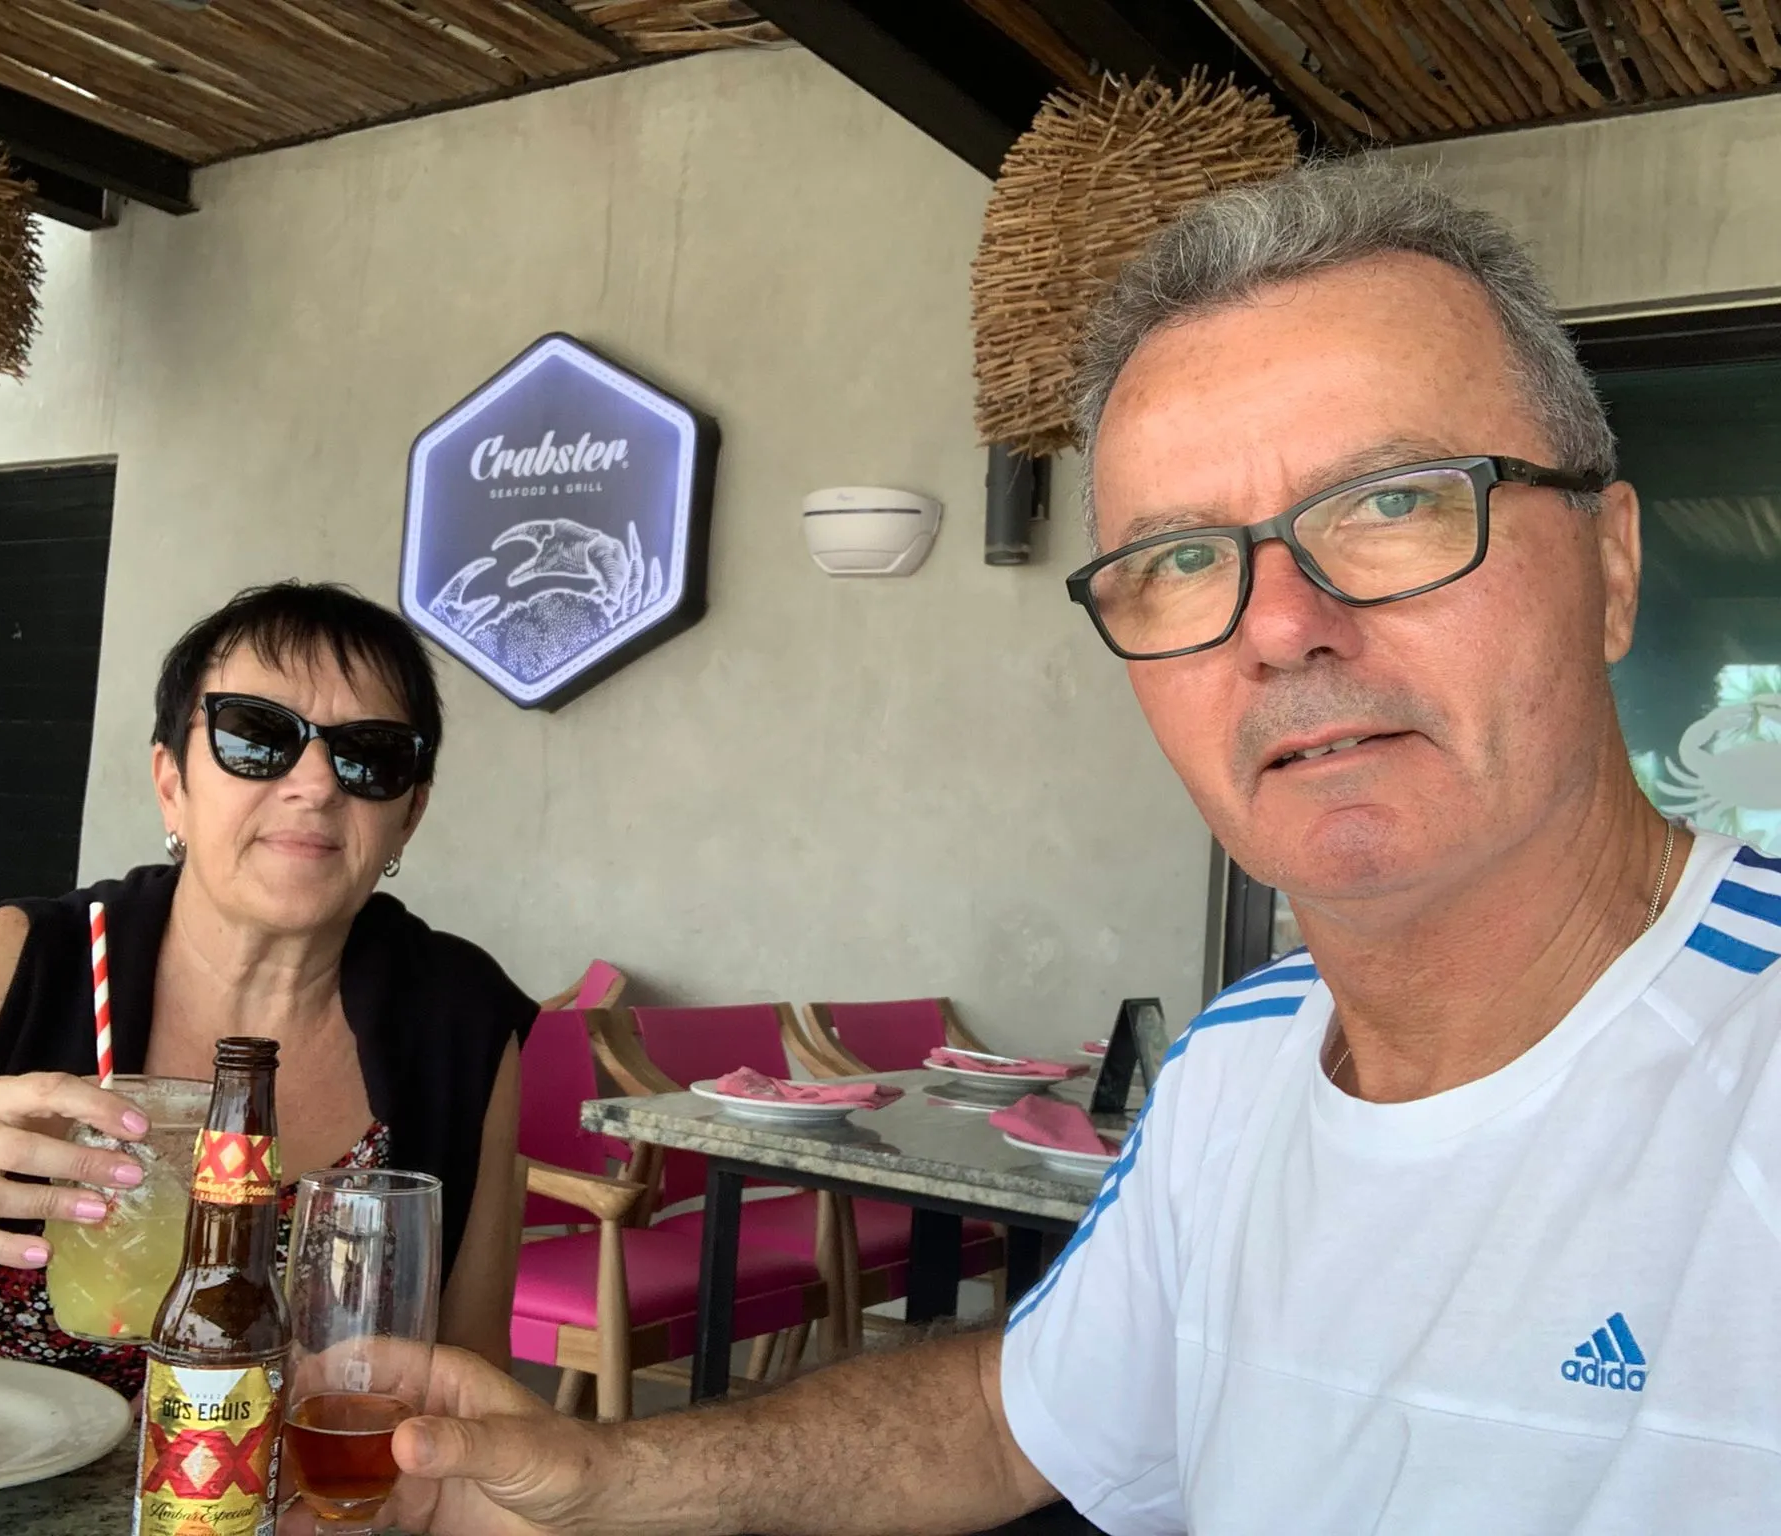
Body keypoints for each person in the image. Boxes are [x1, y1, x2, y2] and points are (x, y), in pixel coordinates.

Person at [358, 160, 1781, 1533]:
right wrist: (604, 1485)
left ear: (1610, 566)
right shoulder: (1243, 1059)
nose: (1283, 624)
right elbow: (1009, 1419)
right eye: (1180, 559)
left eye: (1394, 501)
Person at [0, 582, 535, 1394]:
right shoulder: (29, 960)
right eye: (256, 738)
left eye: (371, 755)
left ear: (409, 814)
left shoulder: (462, 1019)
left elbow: (466, 1376)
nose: (318, 784)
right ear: (171, 784)